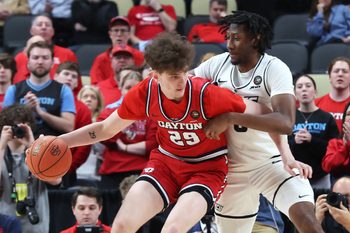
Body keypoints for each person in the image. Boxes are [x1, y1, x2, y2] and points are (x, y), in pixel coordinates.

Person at [53, 32, 275, 233]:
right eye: (172, 77)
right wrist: (61, 142)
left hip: (207, 169)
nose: (181, 82)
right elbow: (104, 129)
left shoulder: (206, 94)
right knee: (121, 225)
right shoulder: (144, 94)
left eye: (183, 73)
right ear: (154, 75)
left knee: (173, 230)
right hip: (166, 164)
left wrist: (231, 117)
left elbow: (265, 112)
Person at [191, 11, 324, 233]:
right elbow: (184, 85)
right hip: (230, 170)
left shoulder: (274, 68)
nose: (230, 44)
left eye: (236, 38)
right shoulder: (217, 64)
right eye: (228, 38)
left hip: (269, 163)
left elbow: (285, 122)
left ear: (255, 39)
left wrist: (230, 117)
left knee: (306, 218)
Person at [0, 104, 61, 233]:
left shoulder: (39, 151)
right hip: (6, 223)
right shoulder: (1, 153)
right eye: (14, 126)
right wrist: (2, 145)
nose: (18, 130)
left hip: (36, 222)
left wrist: (33, 145)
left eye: (23, 125)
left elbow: (56, 180)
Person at [97, 69, 158, 190]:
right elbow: (105, 137)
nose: (131, 91)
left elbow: (152, 144)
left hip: (142, 170)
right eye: (127, 87)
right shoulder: (110, 111)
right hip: (113, 169)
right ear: (120, 88)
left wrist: (123, 147)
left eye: (136, 87)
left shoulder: (153, 113)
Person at [3, 41, 76, 138]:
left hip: (51, 148)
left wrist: (41, 112)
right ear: (28, 62)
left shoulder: (63, 90)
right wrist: (25, 110)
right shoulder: (14, 89)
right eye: (35, 57)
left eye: (45, 58)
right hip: (20, 148)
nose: (40, 62)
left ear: (52, 62)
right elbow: (4, 125)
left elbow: (69, 127)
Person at [289, 74, 339, 189]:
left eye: (308, 86)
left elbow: (333, 149)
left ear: (315, 91)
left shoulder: (327, 118)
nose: (304, 89)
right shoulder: (289, 118)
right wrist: (294, 141)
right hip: (296, 177)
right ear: (295, 93)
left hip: (321, 177)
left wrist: (312, 140)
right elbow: (281, 148)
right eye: (300, 87)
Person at [13, 15, 79, 93]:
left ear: (53, 31)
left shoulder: (67, 54)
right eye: (39, 24)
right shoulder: (20, 58)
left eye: (47, 25)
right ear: (32, 30)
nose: (44, 27)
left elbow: (77, 85)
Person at [54, 61, 92, 187]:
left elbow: (85, 145)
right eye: (66, 74)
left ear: (76, 83)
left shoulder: (82, 109)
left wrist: (68, 168)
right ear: (55, 76)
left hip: (66, 171)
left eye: (74, 76)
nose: (69, 78)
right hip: (36, 164)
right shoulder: (43, 100)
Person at [90, 16, 144, 85]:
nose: (119, 34)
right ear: (110, 34)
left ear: (129, 34)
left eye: (123, 30)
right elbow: (96, 86)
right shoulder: (100, 59)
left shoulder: (140, 56)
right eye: (116, 30)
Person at [76, 85, 105, 184]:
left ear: (98, 103)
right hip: (74, 169)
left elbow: (101, 148)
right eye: (85, 96)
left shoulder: (103, 122)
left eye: (93, 97)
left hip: (94, 172)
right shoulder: (72, 120)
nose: (89, 99)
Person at [315, 56, 350, 133]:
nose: (340, 74)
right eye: (336, 71)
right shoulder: (315, 104)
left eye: (345, 71)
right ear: (330, 76)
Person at [322, 102, 350, 179]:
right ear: (344, 119)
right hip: (338, 187)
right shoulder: (334, 143)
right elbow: (328, 166)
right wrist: (345, 146)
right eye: (348, 114)